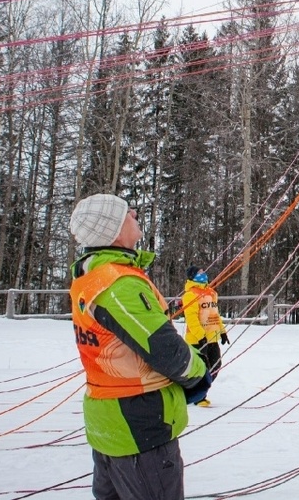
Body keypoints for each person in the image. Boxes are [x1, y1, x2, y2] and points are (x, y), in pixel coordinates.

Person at [69, 193, 210, 500]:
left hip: (113, 420)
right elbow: (166, 350)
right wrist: (200, 373)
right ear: (114, 230)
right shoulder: (118, 284)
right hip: (139, 423)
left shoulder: (95, 276)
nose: (134, 213)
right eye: (127, 213)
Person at [182, 266, 228, 407]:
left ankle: (197, 392)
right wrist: (200, 336)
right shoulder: (190, 295)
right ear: (192, 276)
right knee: (201, 369)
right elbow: (191, 318)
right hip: (198, 340)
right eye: (199, 272)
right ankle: (198, 396)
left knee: (215, 366)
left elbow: (215, 315)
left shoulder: (211, 293)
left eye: (203, 272)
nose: (203, 274)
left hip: (212, 338)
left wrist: (222, 331)